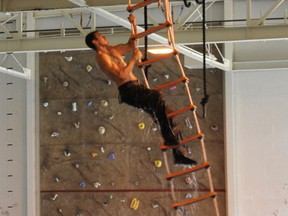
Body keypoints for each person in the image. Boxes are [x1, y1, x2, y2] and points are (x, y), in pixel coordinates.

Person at [85, 30, 196, 166]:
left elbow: (129, 45)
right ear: (95, 42)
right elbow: (121, 75)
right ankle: (169, 138)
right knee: (156, 97)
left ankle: (178, 154)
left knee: (169, 114)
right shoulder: (102, 57)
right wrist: (133, 58)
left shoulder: (112, 50)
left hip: (137, 87)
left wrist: (133, 32)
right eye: (101, 36)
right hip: (129, 91)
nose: (104, 36)